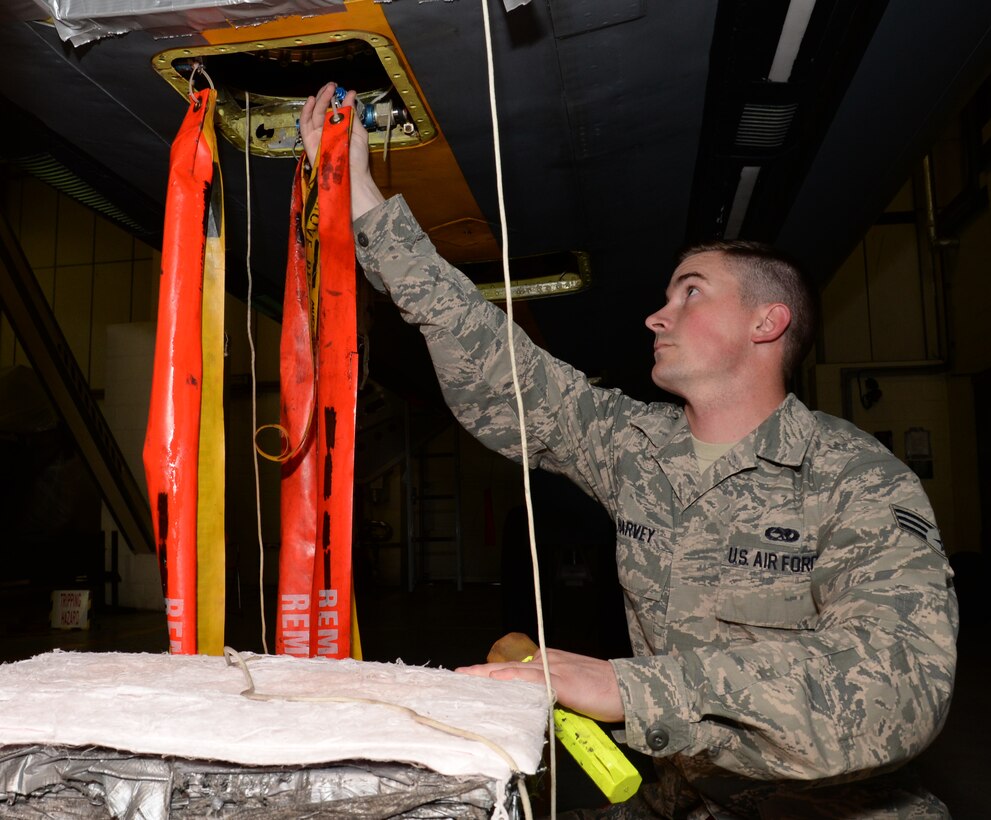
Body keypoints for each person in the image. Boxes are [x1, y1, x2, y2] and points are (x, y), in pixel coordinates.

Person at [300, 84, 958, 818]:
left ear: (766, 323)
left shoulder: (853, 480)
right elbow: (493, 356)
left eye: (690, 294)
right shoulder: (636, 447)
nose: (656, 314)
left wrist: (627, 689)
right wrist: (354, 186)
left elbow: (896, 690)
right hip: (683, 794)